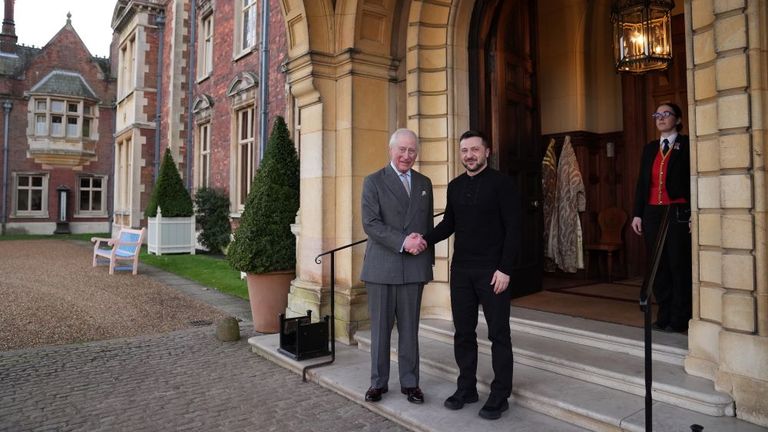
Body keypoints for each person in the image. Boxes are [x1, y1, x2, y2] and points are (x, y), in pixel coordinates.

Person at [421, 130, 520, 420]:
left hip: (493, 272)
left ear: (486, 152)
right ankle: (466, 388)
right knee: (463, 332)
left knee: (499, 334)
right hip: (462, 270)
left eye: (475, 149)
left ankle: (500, 394)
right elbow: (448, 224)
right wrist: (424, 240)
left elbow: (514, 229)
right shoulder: (454, 186)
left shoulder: (503, 184)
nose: (469, 155)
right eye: (464, 150)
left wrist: (506, 269)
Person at [360, 128, 434, 404]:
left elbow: (427, 227)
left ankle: (410, 384)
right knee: (380, 330)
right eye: (401, 149)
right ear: (391, 150)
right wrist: (404, 241)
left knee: (410, 330)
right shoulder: (373, 181)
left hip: (414, 268)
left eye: (411, 150)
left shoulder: (425, 182)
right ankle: (378, 383)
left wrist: (425, 258)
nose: (406, 155)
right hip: (382, 267)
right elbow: (371, 224)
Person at [630, 102, 692, 333]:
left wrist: (696, 213)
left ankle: (680, 317)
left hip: (677, 212)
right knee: (658, 265)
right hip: (652, 213)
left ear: (677, 119)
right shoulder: (649, 148)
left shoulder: (687, 145)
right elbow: (642, 184)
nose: (661, 118)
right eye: (657, 114)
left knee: (678, 264)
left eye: (667, 114)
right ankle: (663, 314)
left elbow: (693, 179)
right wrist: (637, 213)